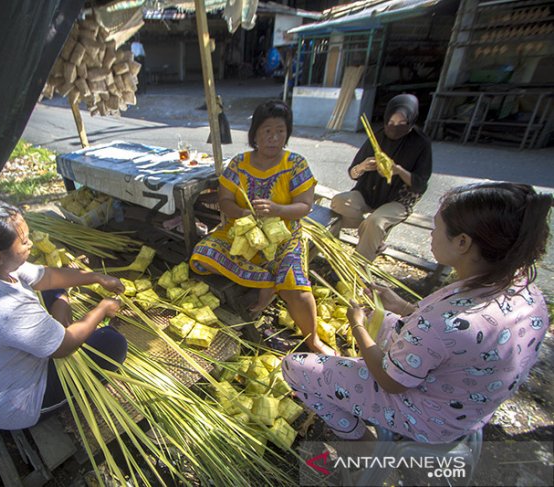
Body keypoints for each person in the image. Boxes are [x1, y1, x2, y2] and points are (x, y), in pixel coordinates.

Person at [283, 182, 552, 444]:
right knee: (386, 319)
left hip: (428, 418)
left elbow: (391, 382)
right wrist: (402, 307)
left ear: (462, 242)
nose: (431, 235)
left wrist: (358, 328)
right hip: (470, 404)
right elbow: (451, 340)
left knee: (295, 367)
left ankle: (360, 442)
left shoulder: (444, 322)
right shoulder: (527, 291)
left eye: (437, 228)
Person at [0, 199, 128, 430]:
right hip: (15, 404)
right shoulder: (4, 307)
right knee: (113, 344)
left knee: (55, 287)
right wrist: (103, 309)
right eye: (24, 242)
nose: (30, 244)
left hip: (3, 368)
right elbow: (66, 347)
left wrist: (96, 277)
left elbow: (46, 277)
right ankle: (56, 333)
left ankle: (54, 328)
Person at [190, 100, 335, 356]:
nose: (274, 137)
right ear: (255, 133)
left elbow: (305, 206)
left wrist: (277, 210)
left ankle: (313, 341)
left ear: (287, 133)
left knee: (297, 289)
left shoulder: (296, 164)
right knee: (202, 256)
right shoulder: (239, 164)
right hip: (241, 233)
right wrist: (243, 213)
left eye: (280, 130)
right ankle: (266, 282)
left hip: (284, 237)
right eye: (267, 130)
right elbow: (224, 201)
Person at [331, 94, 433, 261]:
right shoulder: (376, 136)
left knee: (375, 222)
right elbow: (352, 173)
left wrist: (398, 170)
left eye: (401, 124)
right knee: (338, 202)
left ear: (412, 121)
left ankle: (357, 270)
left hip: (398, 201)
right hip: (367, 194)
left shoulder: (421, 143)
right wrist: (362, 166)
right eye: (391, 123)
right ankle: (369, 234)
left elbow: (420, 185)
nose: (394, 128)